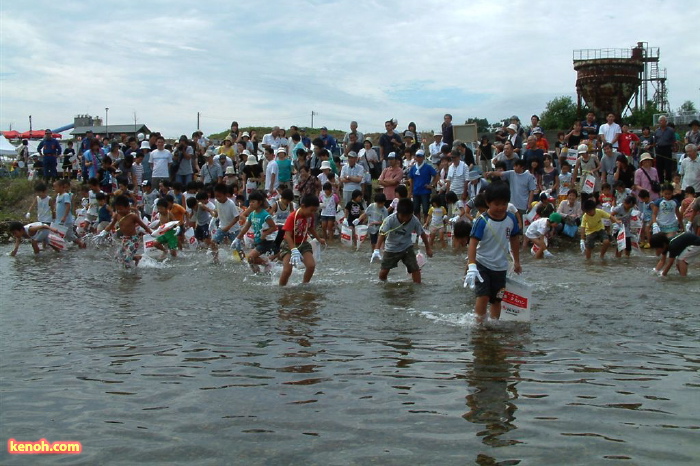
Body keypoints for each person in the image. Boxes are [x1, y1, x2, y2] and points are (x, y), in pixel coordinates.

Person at [464, 181, 522, 324]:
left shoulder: (511, 219)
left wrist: (517, 261)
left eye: (504, 204)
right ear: (488, 203)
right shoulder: (482, 221)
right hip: (482, 264)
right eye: (497, 204)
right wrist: (471, 266)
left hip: (500, 266)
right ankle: (479, 324)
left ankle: (494, 324)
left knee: (497, 298)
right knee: (483, 296)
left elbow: (514, 240)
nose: (500, 208)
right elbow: (472, 244)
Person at [375, 197, 433, 284]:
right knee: (384, 271)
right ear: (397, 212)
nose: (405, 219)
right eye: (402, 216)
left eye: (408, 216)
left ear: (412, 213)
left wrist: (428, 248)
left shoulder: (414, 220)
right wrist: (376, 250)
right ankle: (382, 285)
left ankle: (417, 287)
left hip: (406, 248)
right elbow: (382, 233)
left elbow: (422, 234)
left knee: (415, 269)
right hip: (391, 248)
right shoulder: (390, 219)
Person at [278, 194, 324, 286]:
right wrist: (293, 249)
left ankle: (304, 285)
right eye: (311, 210)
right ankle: (281, 288)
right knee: (287, 270)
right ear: (303, 206)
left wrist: (319, 239)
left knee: (311, 266)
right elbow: (287, 235)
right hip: (288, 244)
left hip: (303, 243)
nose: (312, 213)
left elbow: (310, 228)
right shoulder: (292, 217)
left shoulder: (310, 216)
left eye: (315, 211)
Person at [101, 195, 153, 268]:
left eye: (121, 209)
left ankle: (129, 276)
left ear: (128, 207)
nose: (119, 211)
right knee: (118, 257)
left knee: (126, 260)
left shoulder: (133, 216)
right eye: (117, 209)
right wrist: (103, 233)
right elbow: (111, 225)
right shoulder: (117, 215)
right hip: (125, 239)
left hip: (134, 240)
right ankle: (136, 258)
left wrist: (152, 234)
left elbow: (144, 226)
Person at [234, 190, 278, 271]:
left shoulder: (265, 215)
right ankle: (258, 274)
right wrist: (238, 238)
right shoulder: (252, 214)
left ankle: (268, 264)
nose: (251, 204)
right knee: (251, 262)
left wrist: (265, 234)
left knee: (250, 258)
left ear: (260, 202)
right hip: (257, 240)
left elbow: (273, 227)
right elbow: (246, 227)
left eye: (253, 202)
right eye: (250, 202)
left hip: (266, 241)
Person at [407, 150, 437, 221]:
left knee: (426, 210)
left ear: (423, 157)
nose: (419, 158)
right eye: (417, 156)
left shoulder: (428, 167)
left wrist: (432, 185)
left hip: (425, 191)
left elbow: (436, 175)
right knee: (416, 209)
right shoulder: (413, 168)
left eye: (420, 156)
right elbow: (411, 180)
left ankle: (426, 225)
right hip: (416, 191)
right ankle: (418, 225)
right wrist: (410, 192)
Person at [654, 116, 676, 183]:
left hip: (667, 148)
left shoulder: (670, 130)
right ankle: (661, 181)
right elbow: (655, 141)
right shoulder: (657, 131)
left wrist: (674, 147)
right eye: (661, 121)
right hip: (659, 149)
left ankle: (668, 180)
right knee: (659, 166)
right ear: (659, 122)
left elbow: (673, 141)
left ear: (666, 122)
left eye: (663, 121)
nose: (662, 122)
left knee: (668, 166)